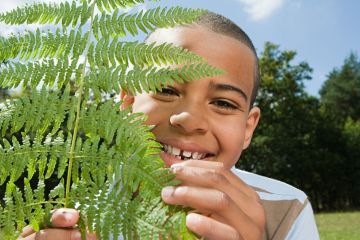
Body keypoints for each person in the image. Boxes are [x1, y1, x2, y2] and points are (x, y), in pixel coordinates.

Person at [19, 12, 319, 240]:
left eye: (224, 103)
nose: (188, 120)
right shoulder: (73, 216)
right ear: (127, 103)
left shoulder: (286, 210)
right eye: (165, 90)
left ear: (248, 129)